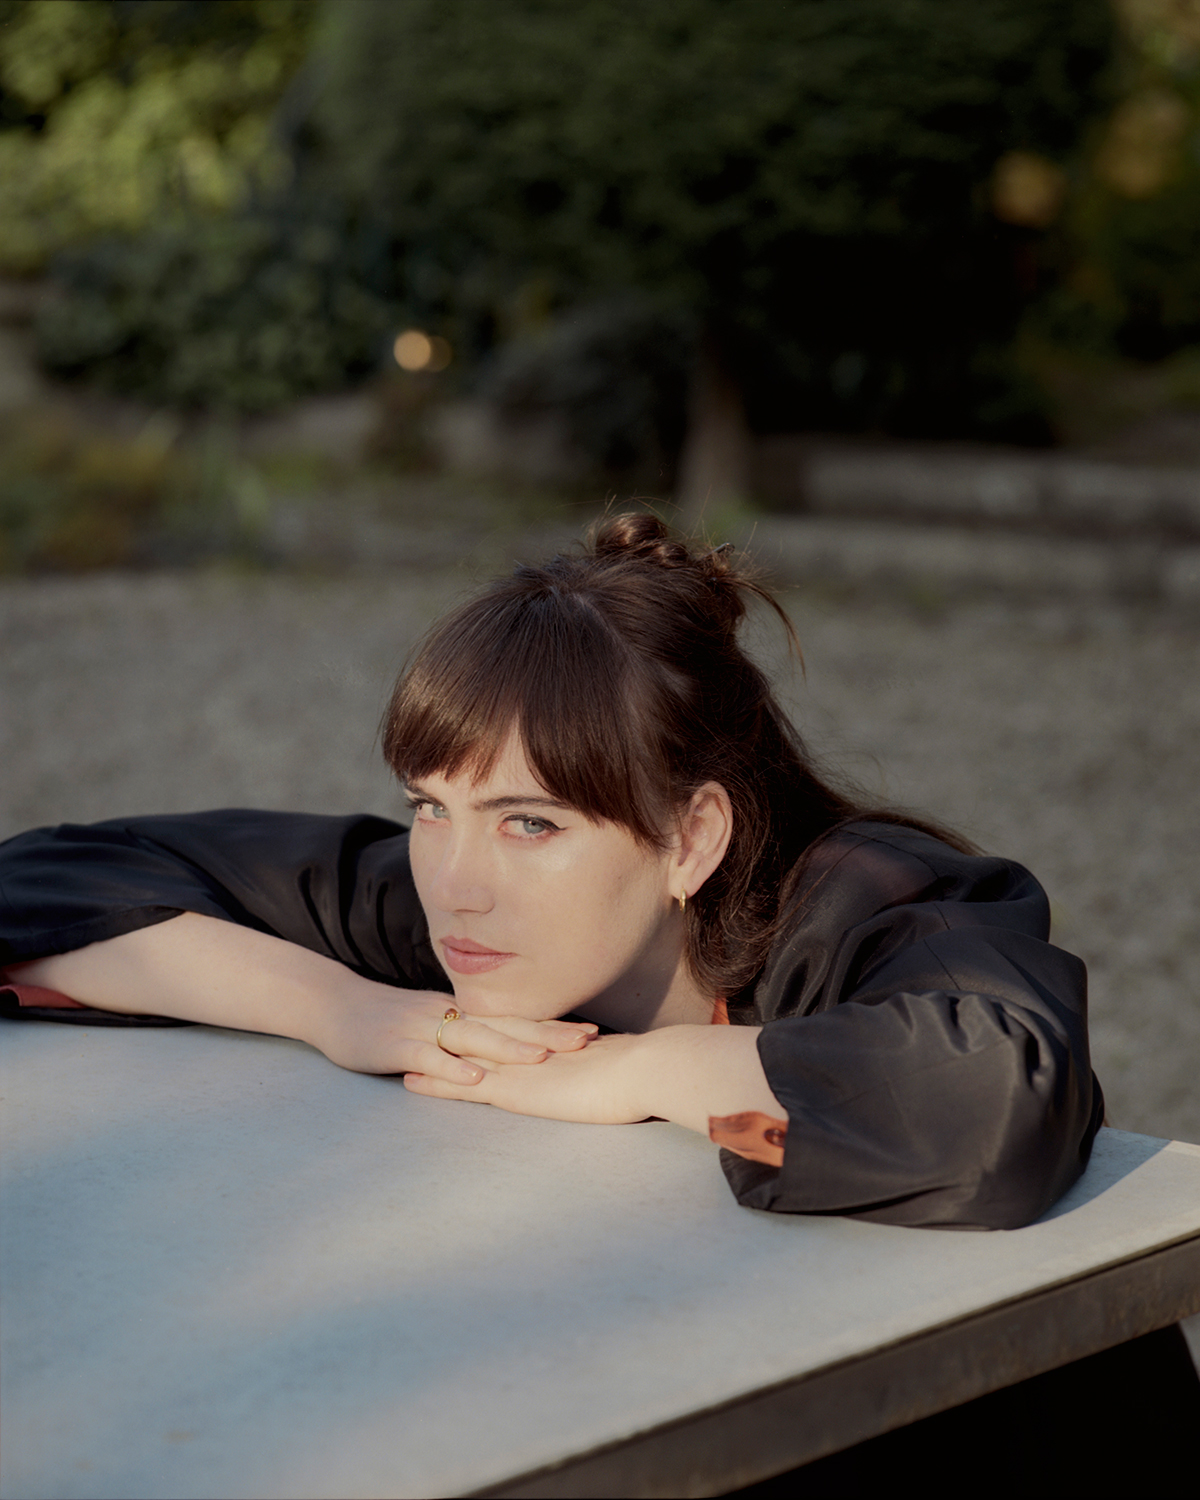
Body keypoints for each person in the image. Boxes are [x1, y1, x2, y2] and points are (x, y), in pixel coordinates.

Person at [0, 513, 1102, 1229]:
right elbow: (49, 883)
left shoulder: (878, 901)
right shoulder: (446, 913)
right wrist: (343, 1009)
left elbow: (997, 1109)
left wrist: (636, 1078)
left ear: (691, 839)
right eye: (431, 808)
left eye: (530, 823)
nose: (457, 882)